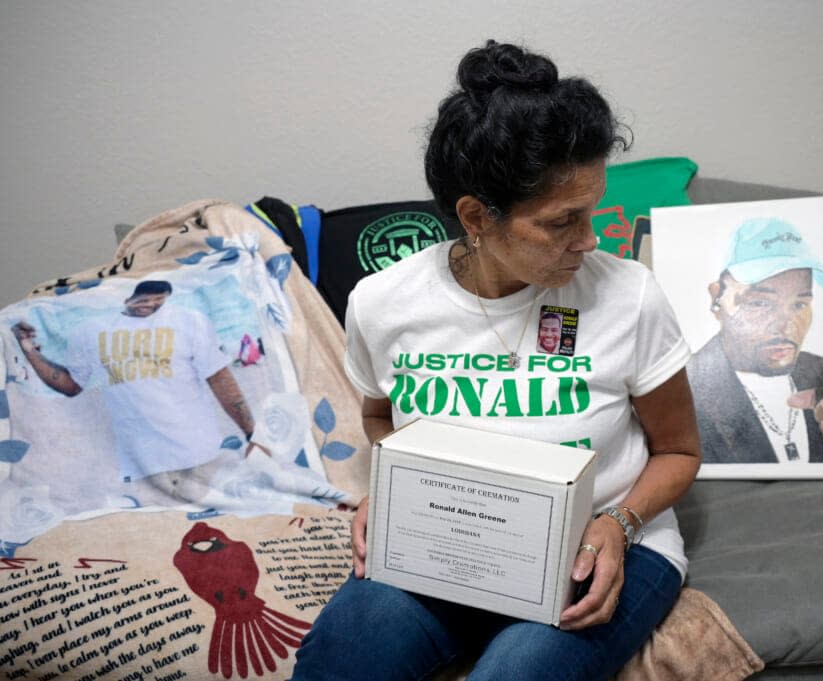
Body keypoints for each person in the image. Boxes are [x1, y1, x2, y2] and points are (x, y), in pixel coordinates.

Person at [292, 41, 701, 681]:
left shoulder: (628, 297)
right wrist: (396, 488)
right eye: (563, 221)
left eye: (590, 210)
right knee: (340, 662)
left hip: (591, 547)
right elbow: (378, 418)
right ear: (477, 217)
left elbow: (679, 453)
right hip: (446, 544)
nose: (589, 239)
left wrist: (618, 525)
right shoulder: (383, 303)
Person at [11, 280, 266, 485]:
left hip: (201, 453)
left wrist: (252, 434)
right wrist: (29, 350)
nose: (152, 306)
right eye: (144, 300)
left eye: (159, 301)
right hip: (141, 467)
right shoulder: (90, 331)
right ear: (124, 299)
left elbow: (219, 377)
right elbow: (69, 385)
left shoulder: (189, 321)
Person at [687, 218, 823, 464]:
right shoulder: (686, 387)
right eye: (760, 302)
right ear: (716, 299)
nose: (786, 325)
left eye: (799, 304)